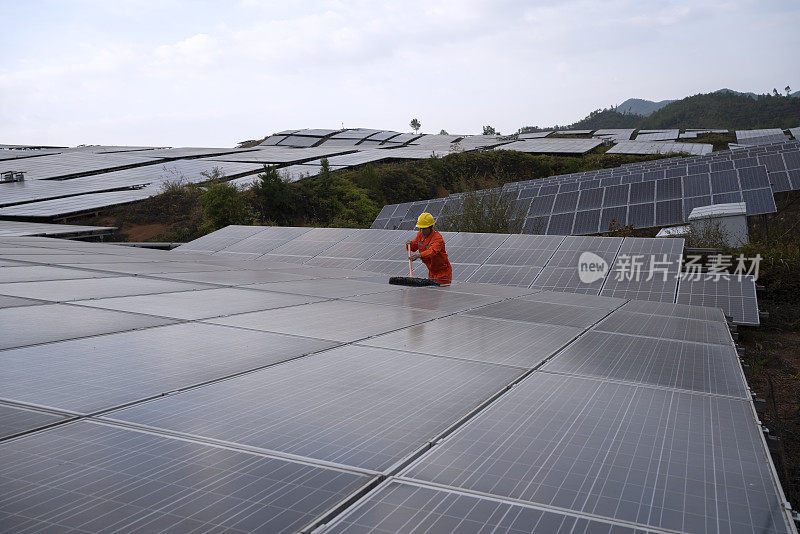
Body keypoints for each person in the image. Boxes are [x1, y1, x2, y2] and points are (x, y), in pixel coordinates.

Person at [405, 212, 452, 284]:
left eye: (424, 229)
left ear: (430, 227)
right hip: (431, 272)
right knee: (432, 293)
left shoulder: (438, 238)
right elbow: (413, 248)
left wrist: (419, 255)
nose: (421, 231)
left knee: (441, 293)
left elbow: (432, 251)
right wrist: (409, 244)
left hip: (443, 273)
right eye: (420, 228)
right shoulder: (420, 235)